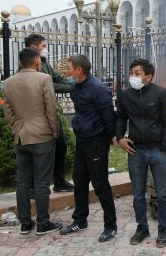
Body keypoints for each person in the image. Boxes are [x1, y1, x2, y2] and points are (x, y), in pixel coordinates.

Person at [116, 58, 166, 248]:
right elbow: (120, 118)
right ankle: (142, 228)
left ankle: (163, 230)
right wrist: (119, 138)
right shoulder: (125, 95)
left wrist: (164, 148)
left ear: (148, 76)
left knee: (162, 194)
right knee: (138, 195)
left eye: (137, 73)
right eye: (131, 73)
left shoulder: (161, 94)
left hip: (157, 150)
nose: (132, 77)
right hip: (136, 150)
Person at [2, 47, 62, 235]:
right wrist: (54, 131)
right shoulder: (44, 78)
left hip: (21, 137)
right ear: (37, 61)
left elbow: (8, 110)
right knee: (42, 183)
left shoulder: (9, 82)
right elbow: (51, 108)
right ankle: (43, 223)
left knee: (22, 182)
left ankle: (25, 223)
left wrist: (16, 129)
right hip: (42, 136)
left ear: (21, 62)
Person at [59, 54, 117, 242]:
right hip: (82, 140)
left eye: (69, 68)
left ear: (79, 70)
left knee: (100, 184)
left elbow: (109, 117)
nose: (67, 71)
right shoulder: (75, 86)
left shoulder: (98, 89)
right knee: (80, 181)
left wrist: (108, 138)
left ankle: (110, 226)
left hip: (96, 142)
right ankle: (80, 220)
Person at [24, 34, 74, 193]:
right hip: (37, 115)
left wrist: (73, 83)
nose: (46, 49)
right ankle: (33, 187)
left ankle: (59, 181)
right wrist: (73, 88)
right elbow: (49, 84)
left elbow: (58, 78)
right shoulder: (26, 65)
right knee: (38, 152)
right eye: (43, 46)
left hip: (50, 112)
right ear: (33, 47)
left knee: (61, 146)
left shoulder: (44, 63)